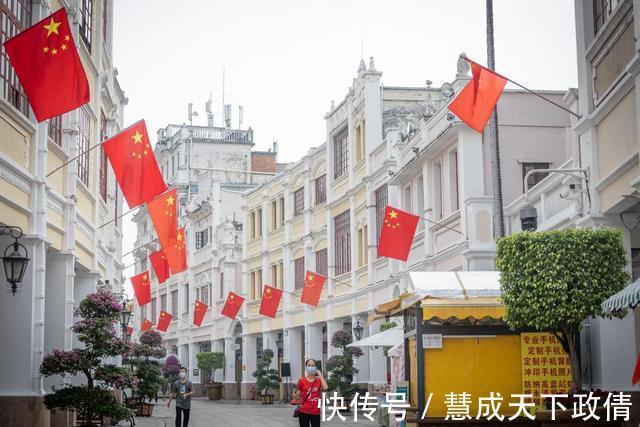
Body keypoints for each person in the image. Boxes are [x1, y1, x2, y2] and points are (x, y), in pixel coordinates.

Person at [297, 359, 328, 427]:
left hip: (315, 411)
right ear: (306, 367)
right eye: (309, 365)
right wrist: (298, 402)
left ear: (316, 367)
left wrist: (320, 374)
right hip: (303, 411)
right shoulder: (301, 380)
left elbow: (325, 387)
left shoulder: (319, 380)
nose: (311, 367)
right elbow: (298, 395)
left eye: (313, 365)